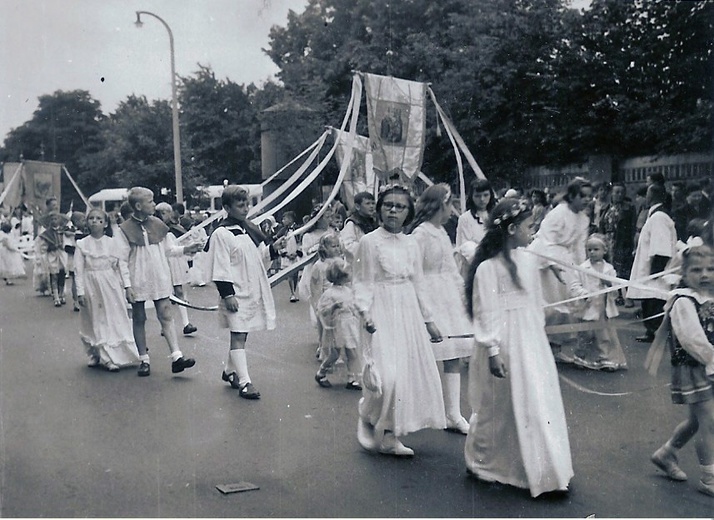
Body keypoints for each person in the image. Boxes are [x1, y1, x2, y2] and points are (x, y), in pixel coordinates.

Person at [464, 198, 573, 497]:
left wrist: (539, 333)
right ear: (511, 229)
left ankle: (544, 468)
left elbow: (536, 301)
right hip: (504, 339)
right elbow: (485, 310)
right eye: (529, 226)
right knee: (502, 402)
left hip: (530, 339)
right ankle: (486, 461)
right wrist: (493, 349)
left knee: (537, 399)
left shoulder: (528, 260)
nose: (533, 231)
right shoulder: (488, 267)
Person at [353, 184, 446, 457]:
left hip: (406, 312)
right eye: (388, 205)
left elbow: (419, 282)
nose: (393, 210)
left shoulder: (412, 243)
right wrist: (365, 313)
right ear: (380, 209)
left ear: (409, 211)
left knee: (403, 377)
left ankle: (391, 436)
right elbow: (362, 281)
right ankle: (369, 413)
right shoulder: (369, 242)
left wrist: (429, 320)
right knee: (387, 376)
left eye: (400, 206)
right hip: (380, 310)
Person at [649, 238, 714, 497]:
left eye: (710, 269)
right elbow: (692, 339)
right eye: (697, 270)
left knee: (697, 420)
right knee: (709, 421)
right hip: (695, 367)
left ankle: (666, 453)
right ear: (684, 274)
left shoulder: (709, 297)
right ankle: (709, 477)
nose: (705, 275)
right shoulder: (684, 301)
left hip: (709, 365)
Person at [407, 183, 473, 434]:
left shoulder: (442, 231)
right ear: (439, 205)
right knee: (421, 358)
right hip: (428, 298)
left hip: (447, 298)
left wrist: (464, 295)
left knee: (452, 354)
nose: (453, 209)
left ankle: (453, 414)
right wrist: (426, 314)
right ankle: (403, 408)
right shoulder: (421, 234)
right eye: (450, 204)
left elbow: (451, 270)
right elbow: (416, 274)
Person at [115, 187, 201, 377]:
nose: (154, 204)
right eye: (150, 201)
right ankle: (143, 358)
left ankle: (177, 357)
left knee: (165, 313)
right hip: (138, 278)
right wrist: (127, 286)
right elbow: (121, 259)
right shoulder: (124, 230)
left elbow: (169, 250)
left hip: (159, 276)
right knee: (139, 317)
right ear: (138, 206)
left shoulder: (158, 224)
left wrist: (187, 248)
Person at [205, 185, 276, 400]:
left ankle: (229, 371)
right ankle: (245, 383)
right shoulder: (221, 233)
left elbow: (258, 257)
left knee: (242, 334)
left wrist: (273, 248)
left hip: (251, 290)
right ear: (227, 207)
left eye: (247, 204)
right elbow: (220, 266)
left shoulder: (248, 229)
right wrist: (228, 294)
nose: (245, 208)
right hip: (236, 292)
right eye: (240, 205)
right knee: (238, 334)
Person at [528, 178, 593, 363]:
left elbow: (579, 246)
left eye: (590, 196)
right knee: (547, 304)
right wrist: (553, 265)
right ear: (571, 196)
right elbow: (547, 239)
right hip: (544, 260)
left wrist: (583, 270)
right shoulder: (558, 213)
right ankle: (537, 348)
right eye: (583, 196)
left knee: (564, 307)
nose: (587, 200)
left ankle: (555, 349)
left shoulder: (584, 218)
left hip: (564, 258)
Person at [75, 209, 140, 371]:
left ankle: (114, 355)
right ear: (87, 222)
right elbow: (78, 270)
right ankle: (99, 355)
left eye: (98, 219)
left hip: (110, 284)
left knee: (112, 317)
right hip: (91, 284)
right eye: (91, 218)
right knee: (96, 319)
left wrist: (127, 286)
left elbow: (121, 265)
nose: (94, 221)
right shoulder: (82, 244)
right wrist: (80, 291)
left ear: (105, 224)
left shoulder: (112, 243)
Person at [569, 233, 627, 371]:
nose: (592, 253)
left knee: (604, 335)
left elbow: (616, 287)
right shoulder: (582, 268)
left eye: (596, 249)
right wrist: (583, 293)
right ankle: (583, 357)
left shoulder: (609, 269)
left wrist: (608, 283)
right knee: (586, 334)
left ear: (604, 251)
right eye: (589, 250)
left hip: (603, 308)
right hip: (589, 306)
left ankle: (606, 358)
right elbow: (574, 285)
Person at [627, 183, 677, 343]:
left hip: (655, 271)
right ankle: (651, 331)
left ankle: (655, 331)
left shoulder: (659, 217)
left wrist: (656, 272)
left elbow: (661, 247)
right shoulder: (655, 215)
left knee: (654, 300)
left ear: (652, 196)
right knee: (649, 301)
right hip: (651, 269)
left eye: (647, 194)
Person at [314, 258, 363, 390]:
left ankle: (352, 378)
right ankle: (321, 372)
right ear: (341, 276)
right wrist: (334, 307)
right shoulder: (330, 293)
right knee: (334, 353)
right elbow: (321, 309)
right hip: (338, 326)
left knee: (352, 352)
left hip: (350, 325)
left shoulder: (348, 291)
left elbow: (353, 306)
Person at [155, 202, 197, 336]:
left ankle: (186, 323)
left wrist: (189, 249)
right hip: (162, 263)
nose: (170, 214)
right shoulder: (156, 227)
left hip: (175, 261)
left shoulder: (173, 227)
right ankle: (165, 325)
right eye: (167, 212)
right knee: (163, 296)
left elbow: (179, 242)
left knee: (179, 291)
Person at [599, 182, 636, 306]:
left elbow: (632, 227)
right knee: (610, 269)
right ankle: (616, 295)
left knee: (623, 270)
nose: (619, 195)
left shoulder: (629, 208)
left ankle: (627, 297)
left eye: (621, 192)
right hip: (608, 242)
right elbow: (602, 226)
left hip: (622, 242)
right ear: (612, 193)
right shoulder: (606, 209)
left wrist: (632, 244)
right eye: (616, 192)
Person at [310, 232, 343, 362]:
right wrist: (318, 305)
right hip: (326, 300)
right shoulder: (319, 265)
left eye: (337, 246)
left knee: (338, 327)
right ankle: (323, 349)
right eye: (333, 246)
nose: (337, 249)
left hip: (339, 298)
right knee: (324, 328)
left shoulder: (341, 262)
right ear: (324, 248)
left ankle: (337, 352)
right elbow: (315, 288)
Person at [455, 179, 496, 277]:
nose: (482, 199)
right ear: (471, 197)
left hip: (495, 263)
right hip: (473, 265)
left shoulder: (496, 216)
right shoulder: (465, 218)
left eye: (485, 195)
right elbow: (465, 245)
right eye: (477, 196)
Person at [38, 211, 70, 307]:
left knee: (62, 274)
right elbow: (42, 248)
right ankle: (56, 297)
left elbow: (68, 242)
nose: (54, 221)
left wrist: (63, 246)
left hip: (62, 255)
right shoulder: (47, 234)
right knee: (54, 275)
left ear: (59, 220)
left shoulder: (63, 231)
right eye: (52, 219)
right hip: (52, 255)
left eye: (56, 219)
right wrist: (50, 247)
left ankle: (61, 294)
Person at [340, 191, 378, 265]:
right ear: (357, 206)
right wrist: (368, 249)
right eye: (367, 203)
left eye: (373, 203)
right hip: (357, 263)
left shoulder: (374, 222)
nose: (371, 206)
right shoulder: (351, 223)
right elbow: (347, 245)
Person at [275, 211, 301, 301]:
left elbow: (300, 241)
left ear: (290, 219)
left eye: (284, 219)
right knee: (290, 274)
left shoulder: (298, 229)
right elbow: (278, 241)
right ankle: (292, 293)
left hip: (295, 252)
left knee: (295, 274)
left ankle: (294, 291)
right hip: (287, 254)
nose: (283, 221)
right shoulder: (283, 231)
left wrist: (297, 252)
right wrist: (285, 253)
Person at [65, 211, 88, 312]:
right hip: (74, 258)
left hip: (79, 258)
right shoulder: (77, 234)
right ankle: (76, 300)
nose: (85, 222)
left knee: (79, 278)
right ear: (76, 222)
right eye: (82, 220)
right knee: (75, 279)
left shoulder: (77, 233)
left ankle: (79, 298)